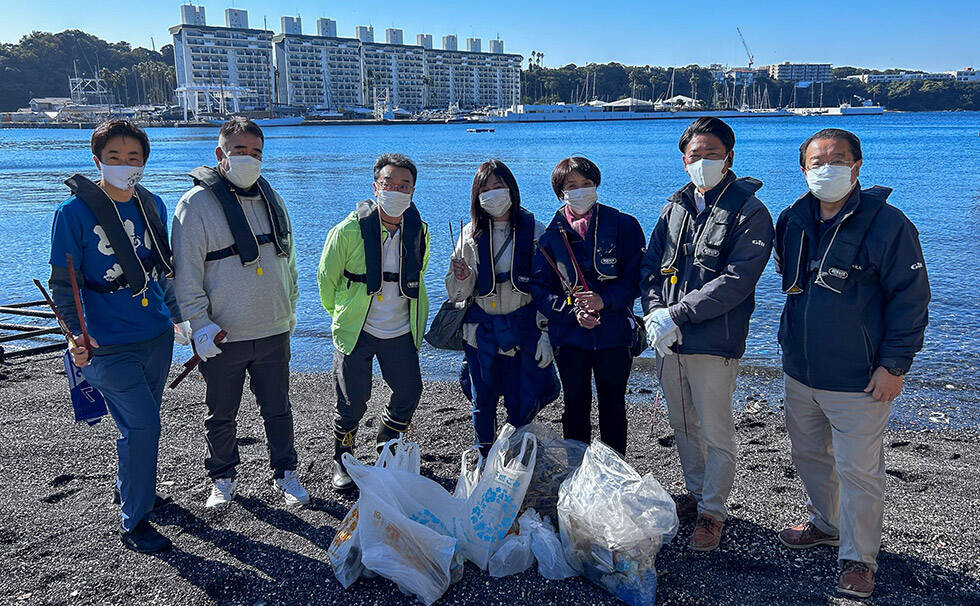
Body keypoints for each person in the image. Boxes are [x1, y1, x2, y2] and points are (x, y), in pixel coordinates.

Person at [773, 128, 930, 599]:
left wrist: (894, 365)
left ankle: (859, 559)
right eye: (817, 162)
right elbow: (789, 278)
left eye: (838, 160)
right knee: (809, 456)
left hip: (860, 378)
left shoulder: (889, 225)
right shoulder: (792, 218)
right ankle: (826, 524)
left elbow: (911, 300)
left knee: (859, 471)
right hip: (800, 370)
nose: (827, 169)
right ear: (803, 169)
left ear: (857, 165)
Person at [639, 117, 774, 552]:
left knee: (715, 431)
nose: (702, 161)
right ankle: (696, 495)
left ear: (728, 157)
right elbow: (650, 265)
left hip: (715, 342)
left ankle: (713, 512)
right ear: (684, 160)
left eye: (712, 154)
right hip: (669, 341)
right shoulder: (674, 207)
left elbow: (737, 280)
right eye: (695, 155)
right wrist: (654, 312)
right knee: (682, 424)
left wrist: (677, 314)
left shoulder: (750, 212)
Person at [49, 119, 184, 553]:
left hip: (156, 334)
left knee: (140, 423)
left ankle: (133, 487)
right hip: (107, 343)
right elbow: (63, 284)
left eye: (133, 157)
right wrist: (75, 336)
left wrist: (179, 318)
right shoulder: (72, 214)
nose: (125, 164)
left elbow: (161, 270)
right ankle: (135, 521)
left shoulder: (152, 203)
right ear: (97, 161)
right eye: (114, 157)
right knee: (143, 426)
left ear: (144, 162)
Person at [171, 117, 308, 509]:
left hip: (272, 328)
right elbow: (185, 273)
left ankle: (286, 472)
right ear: (221, 153)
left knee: (278, 409)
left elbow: (288, 261)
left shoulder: (272, 198)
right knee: (220, 413)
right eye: (240, 150)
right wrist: (198, 325)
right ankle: (222, 477)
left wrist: (290, 309)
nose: (249, 158)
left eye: (256, 152)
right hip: (222, 334)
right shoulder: (195, 204)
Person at [317, 153, 430, 491]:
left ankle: (387, 443)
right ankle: (342, 458)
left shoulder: (419, 231)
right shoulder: (347, 231)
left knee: (409, 391)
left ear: (413, 191)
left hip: (400, 329)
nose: (396, 191)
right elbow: (326, 280)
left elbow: (419, 273)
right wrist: (342, 316)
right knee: (352, 401)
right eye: (388, 184)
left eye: (404, 186)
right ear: (375, 187)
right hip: (357, 330)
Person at [530, 156, 645, 456]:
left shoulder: (624, 225)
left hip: (615, 334)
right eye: (572, 186)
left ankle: (615, 469)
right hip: (570, 338)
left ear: (596, 185)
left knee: (613, 405)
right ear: (561, 192)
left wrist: (605, 300)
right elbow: (540, 289)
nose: (580, 190)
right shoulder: (549, 237)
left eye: (587, 183)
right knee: (575, 406)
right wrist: (572, 312)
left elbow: (637, 278)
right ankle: (577, 469)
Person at [446, 159, 558, 455]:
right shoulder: (469, 234)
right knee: (482, 400)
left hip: (522, 330)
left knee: (520, 398)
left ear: (512, 190)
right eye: (485, 190)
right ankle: (485, 457)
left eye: (498, 186)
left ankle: (515, 455)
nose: (492, 194)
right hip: (480, 332)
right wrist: (462, 277)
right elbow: (457, 293)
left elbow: (548, 288)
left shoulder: (536, 231)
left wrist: (546, 334)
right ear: (477, 196)